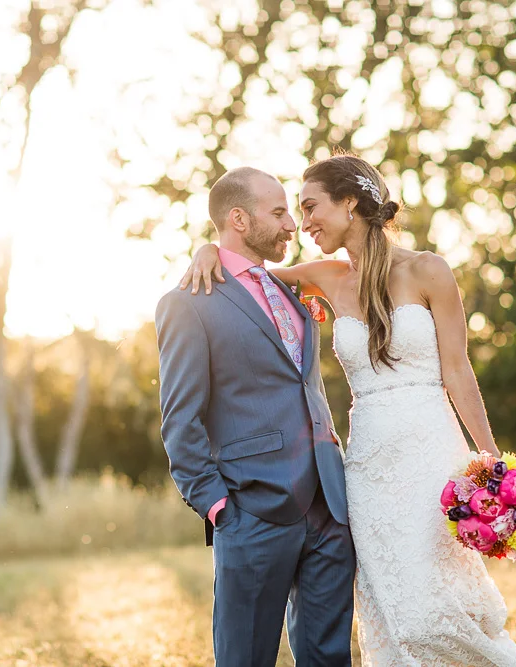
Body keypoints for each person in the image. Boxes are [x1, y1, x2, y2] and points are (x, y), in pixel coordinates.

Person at [180, 153, 516, 666]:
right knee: (390, 614)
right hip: (367, 467)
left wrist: (492, 460)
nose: (301, 223)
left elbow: (459, 371)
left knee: (434, 609)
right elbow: (250, 272)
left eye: (310, 208)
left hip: (430, 450)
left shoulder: (429, 270)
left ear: (350, 203)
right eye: (294, 211)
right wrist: (206, 248)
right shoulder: (326, 277)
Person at [155, 167, 356, 666]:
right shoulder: (188, 304)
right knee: (245, 656)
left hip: (329, 508)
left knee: (329, 657)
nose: (293, 225)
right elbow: (181, 418)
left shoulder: (291, 288)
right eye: (279, 212)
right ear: (239, 219)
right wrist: (216, 505)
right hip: (250, 509)